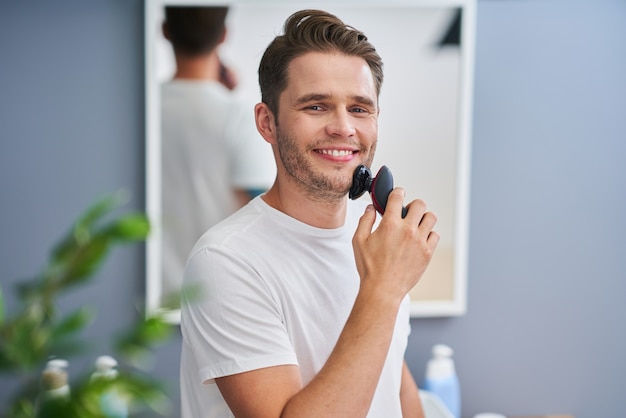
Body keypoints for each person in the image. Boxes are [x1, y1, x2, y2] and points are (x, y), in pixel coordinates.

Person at [180, 9, 439, 418]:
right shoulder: (225, 261)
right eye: (316, 107)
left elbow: (394, 386)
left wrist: (386, 288)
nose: (343, 128)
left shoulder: (377, 245)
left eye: (359, 109)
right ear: (268, 123)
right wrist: (384, 289)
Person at [160, 6, 275, 303]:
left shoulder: (143, 110)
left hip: (153, 296)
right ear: (224, 35)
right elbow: (262, 212)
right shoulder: (236, 114)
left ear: (165, 31)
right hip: (219, 294)